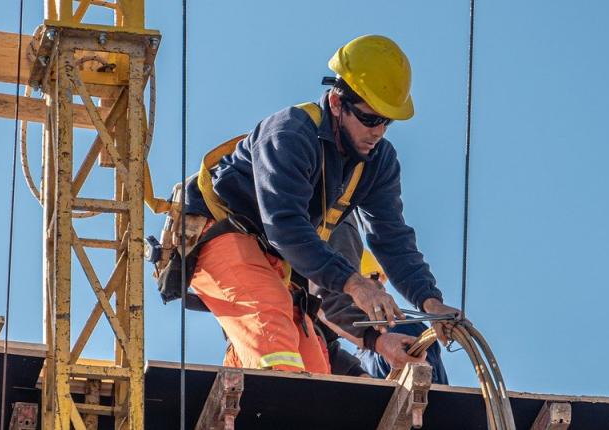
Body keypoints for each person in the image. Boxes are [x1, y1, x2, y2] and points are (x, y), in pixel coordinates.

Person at [182, 34, 461, 374]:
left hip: (278, 263)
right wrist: (356, 284)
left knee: (316, 369)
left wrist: (428, 302)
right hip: (222, 233)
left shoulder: (378, 162)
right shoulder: (290, 133)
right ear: (337, 104)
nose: (379, 132)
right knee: (272, 334)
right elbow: (285, 226)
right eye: (370, 119)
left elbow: (394, 241)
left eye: (387, 121)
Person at [315, 215, 448, 383]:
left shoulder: (404, 330)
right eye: (374, 280)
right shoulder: (366, 351)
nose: (381, 288)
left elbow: (427, 388)